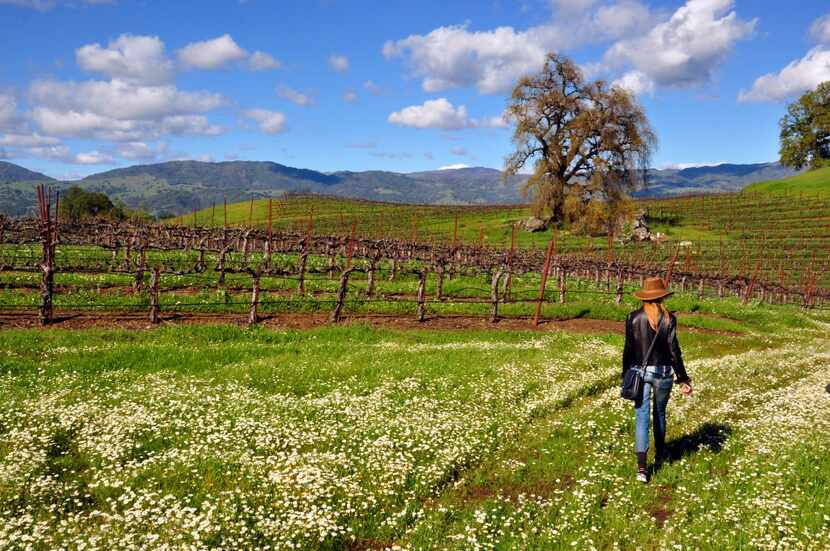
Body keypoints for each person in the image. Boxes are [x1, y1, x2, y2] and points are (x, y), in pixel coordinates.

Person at [622, 277, 693, 483]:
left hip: (641, 372)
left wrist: (626, 374)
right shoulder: (669, 319)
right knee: (659, 413)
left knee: (641, 416)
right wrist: (683, 378)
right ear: (662, 296)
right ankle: (661, 453)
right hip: (663, 373)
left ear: (644, 297)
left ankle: (642, 469)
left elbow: (628, 349)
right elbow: (674, 351)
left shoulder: (633, 318)